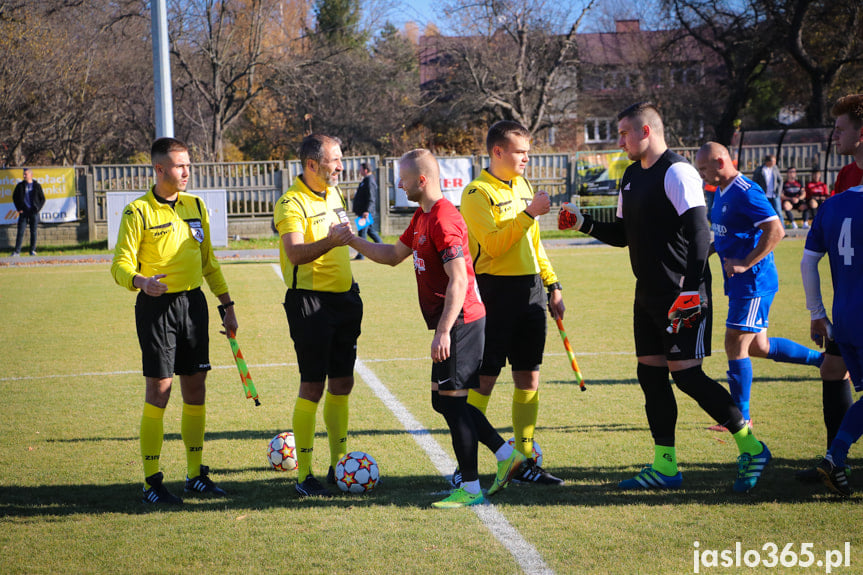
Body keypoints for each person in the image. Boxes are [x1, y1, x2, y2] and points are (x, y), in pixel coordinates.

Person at [559, 102, 770, 493]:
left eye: (624, 133)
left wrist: (690, 290)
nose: (619, 140)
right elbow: (623, 235)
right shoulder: (629, 177)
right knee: (651, 376)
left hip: (682, 293)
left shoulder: (677, 171)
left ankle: (752, 447)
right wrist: (584, 222)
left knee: (687, 376)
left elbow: (700, 234)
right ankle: (665, 466)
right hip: (648, 295)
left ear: (645, 132)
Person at [350, 149, 527, 507]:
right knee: (442, 401)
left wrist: (444, 331)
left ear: (423, 180)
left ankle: (471, 487)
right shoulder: (422, 217)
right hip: (453, 321)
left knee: (453, 401)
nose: (399, 184)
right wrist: (352, 240)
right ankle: (506, 453)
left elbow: (459, 280)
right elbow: (392, 256)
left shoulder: (444, 219)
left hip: (461, 321)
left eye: (403, 178)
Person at [111, 137, 237, 505]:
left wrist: (227, 304)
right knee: (160, 391)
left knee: (195, 389)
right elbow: (120, 265)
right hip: (156, 308)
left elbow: (209, 261)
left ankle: (195, 475)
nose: (186, 172)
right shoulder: (138, 212)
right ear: (159, 169)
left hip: (193, 305)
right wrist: (140, 281)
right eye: (179, 166)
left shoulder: (196, 206)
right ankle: (152, 481)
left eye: (188, 165)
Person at [459, 120, 566, 487]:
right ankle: (467, 460)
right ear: (497, 152)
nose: (526, 158)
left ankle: (525, 459)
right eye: (520, 151)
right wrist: (529, 213)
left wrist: (553, 284)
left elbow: (534, 245)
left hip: (531, 291)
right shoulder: (476, 193)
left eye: (528, 151)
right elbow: (493, 246)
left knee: (529, 377)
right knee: (485, 380)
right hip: (494, 294)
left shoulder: (523, 186)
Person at [695, 142, 822, 431]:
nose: (701, 174)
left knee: (735, 344)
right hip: (740, 283)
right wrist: (715, 248)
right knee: (759, 347)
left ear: (720, 161)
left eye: (704, 168)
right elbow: (736, 230)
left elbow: (776, 230)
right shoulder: (722, 191)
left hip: (753, 283)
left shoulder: (745, 191)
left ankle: (740, 419)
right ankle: (824, 361)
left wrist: (745, 263)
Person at [273, 133, 361, 498]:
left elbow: (347, 235)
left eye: (341, 159)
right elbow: (294, 254)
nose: (341, 165)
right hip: (310, 304)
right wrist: (333, 240)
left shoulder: (335, 193)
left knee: (343, 383)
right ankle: (304, 475)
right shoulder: (290, 202)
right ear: (312, 164)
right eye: (334, 160)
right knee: (313, 386)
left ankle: (339, 466)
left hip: (345, 300)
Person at [796, 94, 863, 485]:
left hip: (849, 311)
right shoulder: (844, 180)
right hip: (847, 310)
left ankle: (834, 459)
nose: (833, 136)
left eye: (840, 129)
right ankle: (835, 460)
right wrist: (817, 311)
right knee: (832, 370)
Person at [11, 168, 45, 256]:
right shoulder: (20, 186)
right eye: (24, 174)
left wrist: (38, 208)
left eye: (26, 174)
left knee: (33, 231)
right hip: (24, 212)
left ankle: (32, 250)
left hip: (33, 212)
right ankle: (17, 251)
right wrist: (19, 208)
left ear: (31, 175)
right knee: (20, 231)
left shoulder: (36, 186)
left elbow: (42, 199)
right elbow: (15, 197)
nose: (24, 176)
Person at [351, 162, 382, 259]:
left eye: (360, 169)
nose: (359, 171)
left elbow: (371, 197)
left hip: (365, 212)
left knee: (362, 232)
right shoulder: (365, 180)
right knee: (370, 231)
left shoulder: (369, 181)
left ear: (365, 170)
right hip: (363, 211)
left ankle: (361, 255)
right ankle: (383, 249)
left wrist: (367, 211)